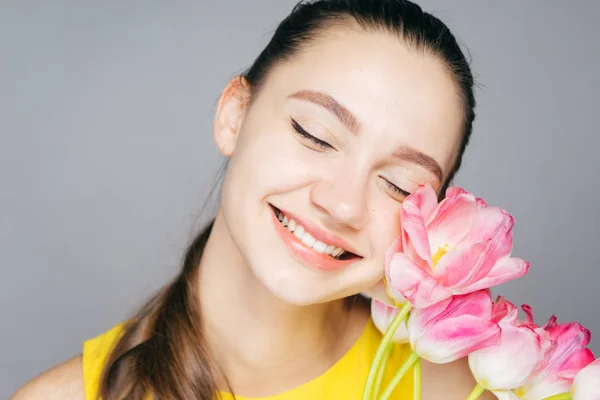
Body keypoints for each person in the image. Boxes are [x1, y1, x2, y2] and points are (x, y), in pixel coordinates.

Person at [12, 0, 497, 399]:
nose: (343, 204)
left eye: (398, 184)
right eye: (315, 134)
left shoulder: (452, 389)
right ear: (234, 114)